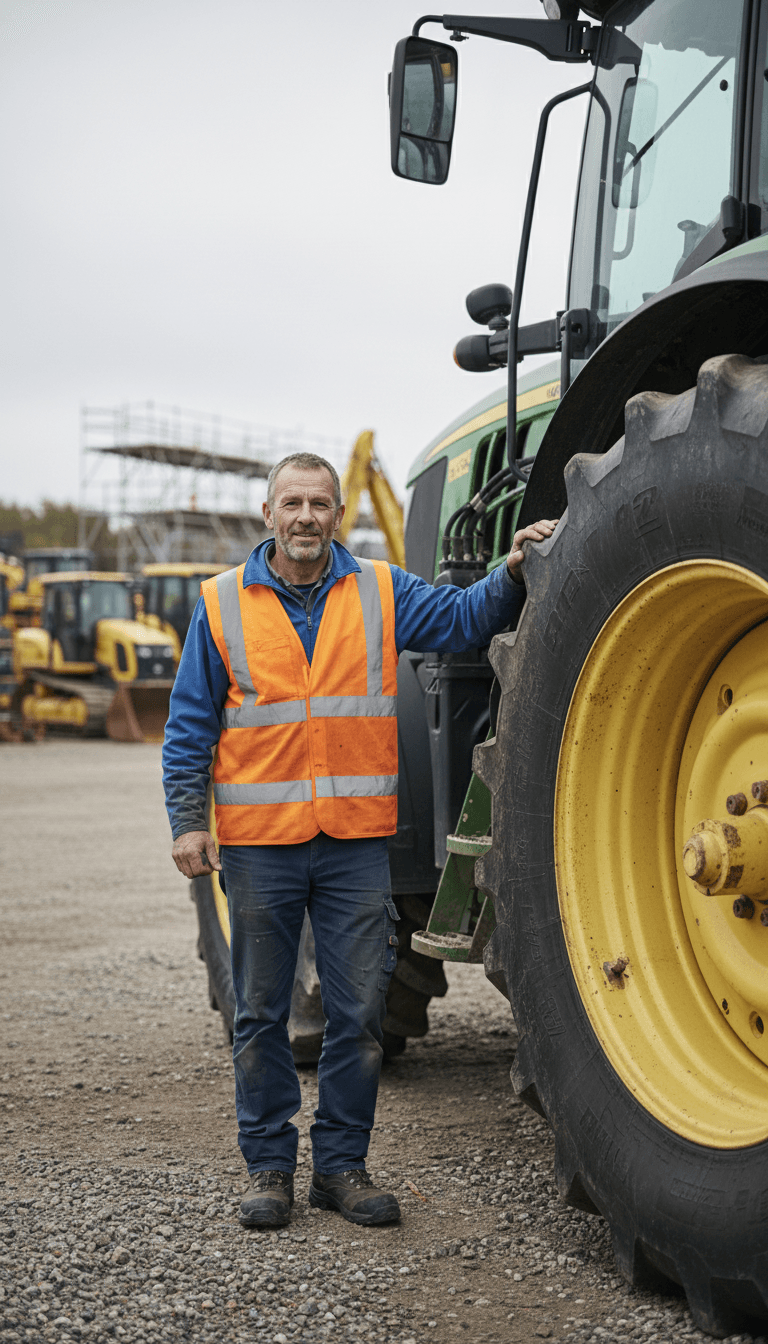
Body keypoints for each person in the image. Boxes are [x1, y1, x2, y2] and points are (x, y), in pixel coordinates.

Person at [163, 451, 557, 1230]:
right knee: (261, 1012)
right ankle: (269, 1167)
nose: (306, 517)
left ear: (336, 515)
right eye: (292, 504)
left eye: (320, 504)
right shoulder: (218, 605)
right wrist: (186, 819)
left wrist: (511, 571)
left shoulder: (379, 589)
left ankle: (340, 1168)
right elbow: (188, 727)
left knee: (358, 1013)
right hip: (261, 845)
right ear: (268, 515)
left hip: (352, 845)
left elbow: (460, 620)